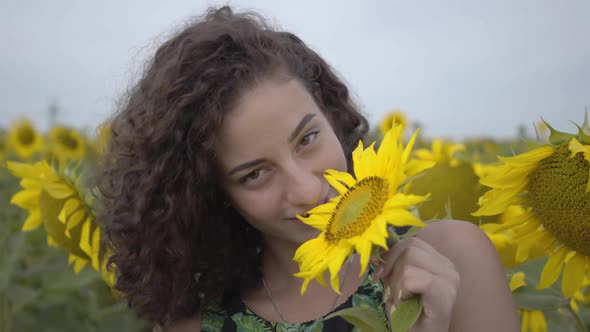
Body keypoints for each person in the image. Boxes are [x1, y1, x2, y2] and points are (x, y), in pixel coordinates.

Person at [98, 6, 520, 332]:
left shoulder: (452, 260)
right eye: (255, 174)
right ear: (213, 195)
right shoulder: (191, 325)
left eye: (307, 139)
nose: (306, 190)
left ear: (331, 117)